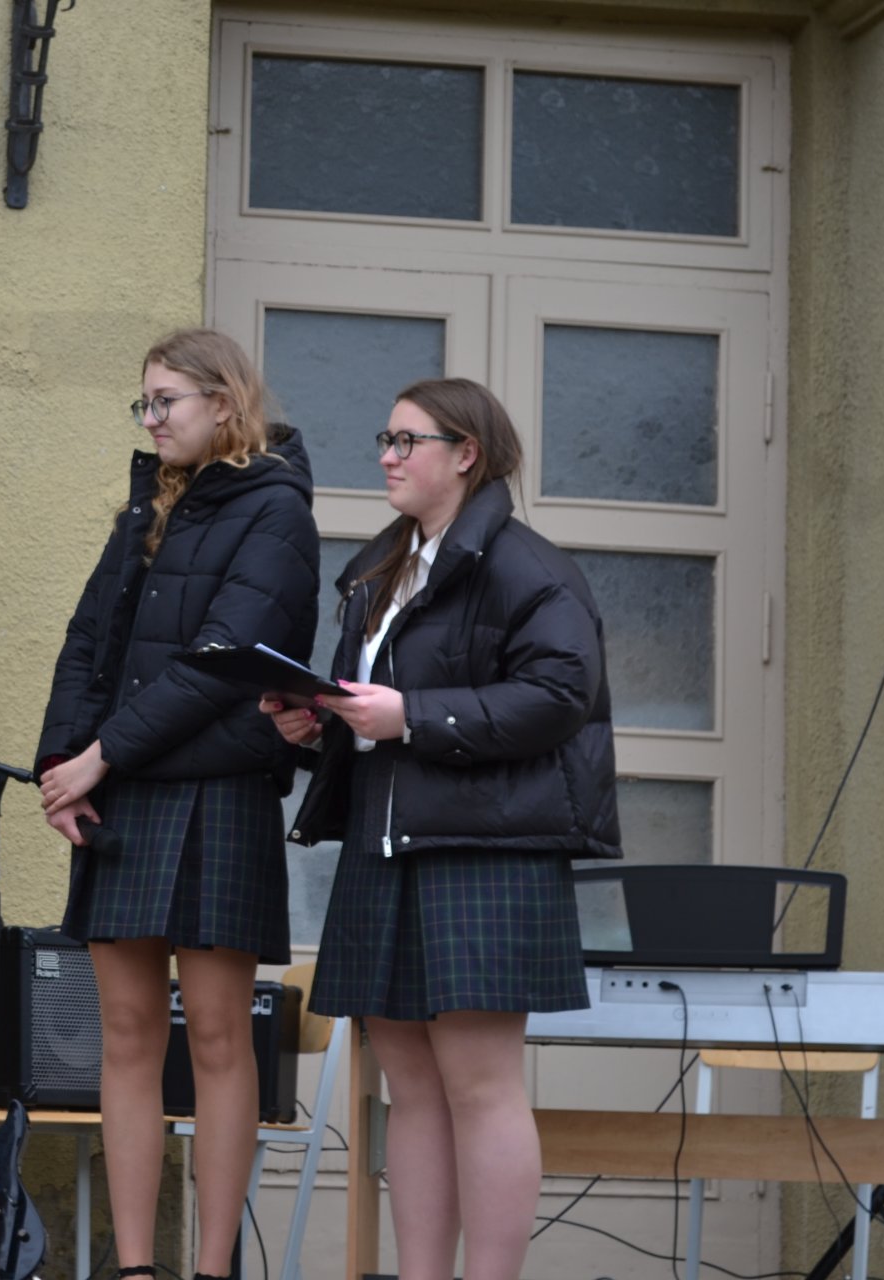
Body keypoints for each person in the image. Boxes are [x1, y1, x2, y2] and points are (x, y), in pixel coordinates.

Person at [269, 378, 620, 1280]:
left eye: (407, 441)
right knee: (413, 1092)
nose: (386, 456)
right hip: (386, 850)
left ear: (466, 454)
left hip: (485, 854)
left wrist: (411, 716)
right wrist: (318, 727)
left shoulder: (529, 567)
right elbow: (376, 714)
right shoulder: (384, 570)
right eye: (384, 439)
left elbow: (559, 697)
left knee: (481, 1089)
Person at [35, 328, 318, 1280]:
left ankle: (212, 1268)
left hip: (216, 797)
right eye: (145, 403)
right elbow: (88, 640)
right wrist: (60, 763)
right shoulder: (148, 502)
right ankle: (135, 1269)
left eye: (167, 401)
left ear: (223, 406)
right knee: (124, 1036)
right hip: (123, 795)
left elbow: (219, 665)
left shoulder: (277, 510)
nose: (151, 419)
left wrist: (100, 756)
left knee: (222, 1038)